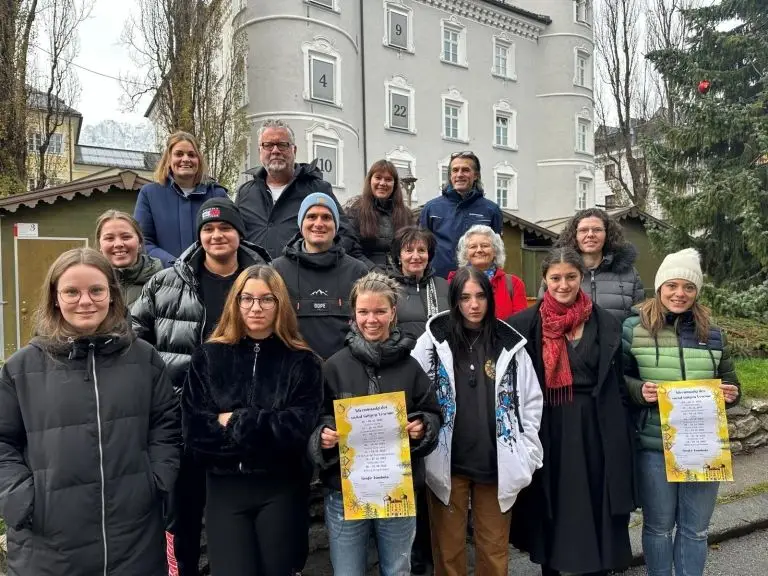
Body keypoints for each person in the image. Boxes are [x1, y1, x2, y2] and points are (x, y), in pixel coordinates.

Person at [0, 248, 180, 575]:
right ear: (55, 298)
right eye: (72, 291)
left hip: (134, 539)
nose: (86, 301)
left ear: (112, 296)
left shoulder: (144, 359)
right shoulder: (20, 368)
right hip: (48, 547)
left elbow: (165, 426)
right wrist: (22, 499)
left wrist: (157, 480)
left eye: (96, 290)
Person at [132, 197, 270, 576]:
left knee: (241, 515)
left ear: (239, 233)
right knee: (184, 516)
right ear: (199, 235)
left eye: (225, 227)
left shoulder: (266, 278)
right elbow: (131, 336)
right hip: (185, 418)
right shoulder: (166, 282)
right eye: (208, 229)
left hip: (244, 418)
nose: (216, 235)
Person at [183, 265, 323, 575]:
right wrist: (265, 428)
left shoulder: (304, 362)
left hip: (281, 488)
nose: (256, 308)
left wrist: (233, 421)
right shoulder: (208, 356)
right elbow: (195, 432)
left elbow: (297, 430)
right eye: (247, 299)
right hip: (224, 489)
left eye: (266, 300)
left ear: (280, 304)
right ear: (235, 302)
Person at [508, 247, 635, 576]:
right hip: (548, 426)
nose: (563, 284)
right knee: (553, 503)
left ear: (582, 277)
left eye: (571, 277)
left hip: (597, 425)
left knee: (596, 501)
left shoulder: (604, 321)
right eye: (555, 278)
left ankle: (598, 568)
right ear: (544, 280)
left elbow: (619, 380)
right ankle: (554, 567)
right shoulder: (523, 325)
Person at [411, 266, 544, 576]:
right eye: (466, 297)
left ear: (490, 298)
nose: (474, 304)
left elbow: (531, 401)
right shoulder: (432, 343)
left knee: (494, 551)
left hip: (496, 465)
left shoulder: (509, 344)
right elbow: (413, 393)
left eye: (481, 296)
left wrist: (527, 453)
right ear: (455, 300)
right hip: (447, 464)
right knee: (448, 552)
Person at [309, 272, 441, 575]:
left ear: (393, 313)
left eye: (380, 311)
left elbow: (432, 412)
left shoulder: (411, 366)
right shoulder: (334, 366)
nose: (372, 319)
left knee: (397, 571)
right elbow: (315, 418)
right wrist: (324, 435)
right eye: (364, 312)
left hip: (397, 490)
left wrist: (422, 426)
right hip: (345, 491)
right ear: (353, 314)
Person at [623, 248, 740, 576]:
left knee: (696, 529)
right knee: (659, 527)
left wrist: (731, 394)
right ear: (660, 287)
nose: (680, 293)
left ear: (697, 291)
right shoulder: (634, 327)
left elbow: (730, 382)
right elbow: (620, 381)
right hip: (655, 445)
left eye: (688, 287)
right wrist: (639, 391)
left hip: (704, 446)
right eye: (672, 285)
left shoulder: (713, 333)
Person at [235, 118, 362, 259]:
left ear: (294, 150)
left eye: (282, 145)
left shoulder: (317, 189)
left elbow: (345, 235)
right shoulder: (245, 193)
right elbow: (234, 237)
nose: (275, 151)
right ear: (260, 151)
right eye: (268, 145)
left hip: (301, 278)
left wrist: (319, 261)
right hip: (255, 278)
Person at [272, 192, 369, 360]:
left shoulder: (357, 271)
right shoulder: (277, 270)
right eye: (311, 217)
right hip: (293, 372)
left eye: (326, 217)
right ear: (301, 223)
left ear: (336, 225)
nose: (319, 223)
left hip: (344, 373)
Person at [134, 131, 228, 268]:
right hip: (165, 278)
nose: (185, 159)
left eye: (191, 154)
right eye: (179, 154)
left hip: (210, 275)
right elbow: (143, 241)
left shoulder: (217, 194)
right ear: (168, 160)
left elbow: (230, 235)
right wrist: (176, 265)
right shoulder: (149, 194)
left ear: (199, 160)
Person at [419, 151, 502, 278]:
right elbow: (421, 246)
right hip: (439, 280)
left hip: (477, 282)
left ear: (476, 175)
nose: (459, 175)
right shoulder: (432, 209)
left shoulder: (491, 210)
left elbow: (496, 250)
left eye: (465, 170)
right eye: (455, 170)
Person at [552, 208, 644, 322]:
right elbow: (545, 317)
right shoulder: (556, 273)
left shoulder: (629, 274)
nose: (590, 235)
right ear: (574, 235)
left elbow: (638, 319)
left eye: (597, 230)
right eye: (583, 230)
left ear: (607, 235)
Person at [346, 159, 414, 270]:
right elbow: (352, 250)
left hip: (400, 275)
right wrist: (374, 270)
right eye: (378, 178)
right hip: (365, 276)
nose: (382, 183)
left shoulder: (406, 215)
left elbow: (411, 248)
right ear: (370, 181)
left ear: (395, 184)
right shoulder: (355, 211)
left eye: (388, 179)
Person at [450, 224, 528, 319]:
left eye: (485, 246)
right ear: (466, 254)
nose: (479, 250)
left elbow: (521, 323)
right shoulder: (453, 281)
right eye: (473, 247)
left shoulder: (514, 284)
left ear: (495, 251)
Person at [95, 209, 163, 306]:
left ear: (139, 242)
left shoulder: (163, 283)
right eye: (109, 238)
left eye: (126, 237)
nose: (118, 244)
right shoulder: (87, 284)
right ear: (100, 245)